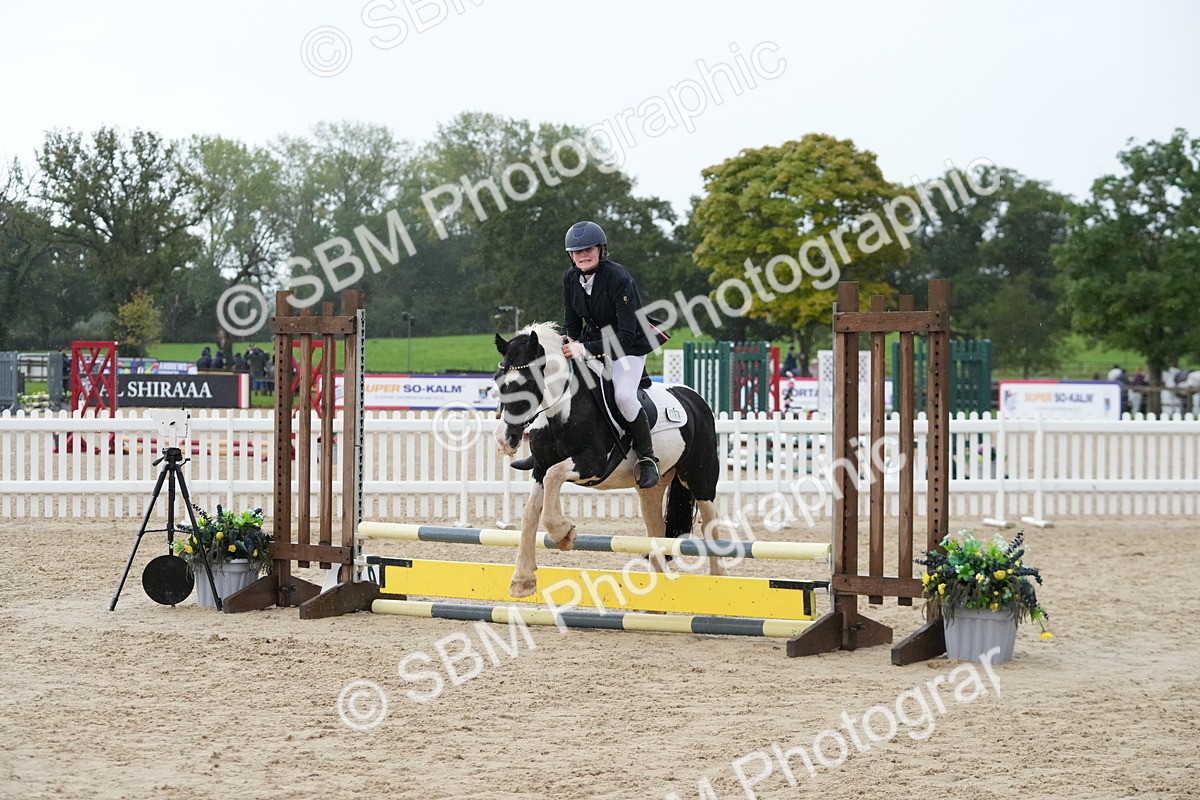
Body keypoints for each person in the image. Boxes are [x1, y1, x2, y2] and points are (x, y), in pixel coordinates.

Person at [510, 220, 668, 489]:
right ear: (571, 255)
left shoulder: (619, 278)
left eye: (589, 249)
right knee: (561, 385)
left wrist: (585, 349)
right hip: (593, 341)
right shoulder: (570, 278)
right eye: (577, 251)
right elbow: (571, 322)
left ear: (601, 250)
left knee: (623, 396)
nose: (583, 255)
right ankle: (542, 454)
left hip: (628, 347)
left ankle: (647, 457)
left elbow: (626, 335)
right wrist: (568, 341)